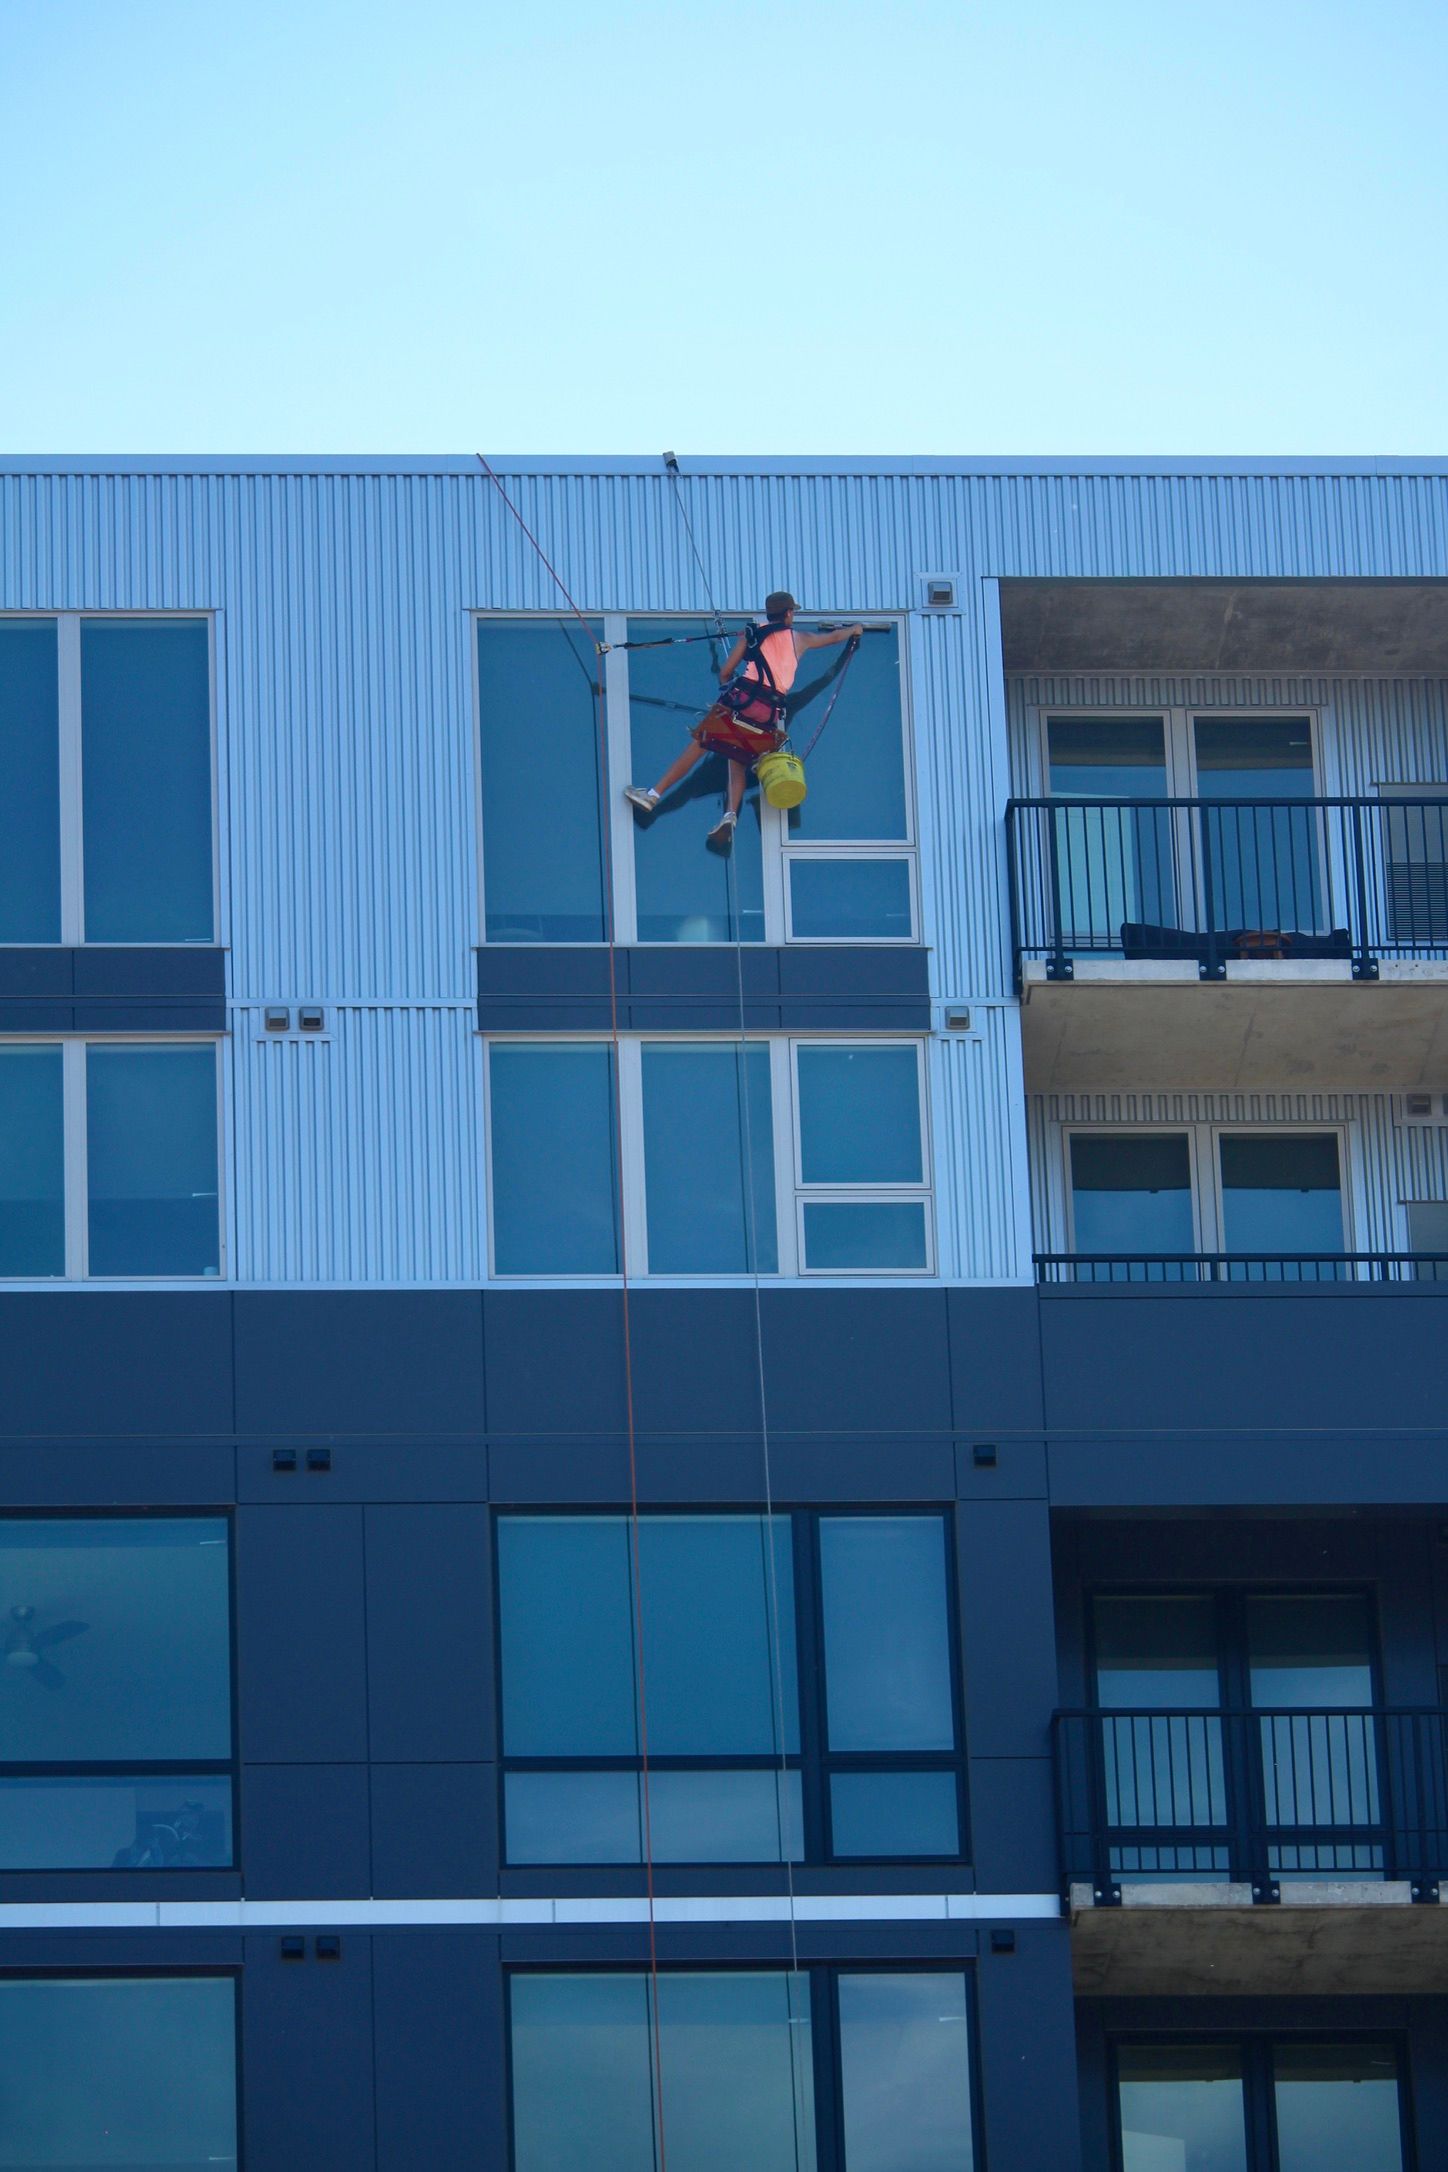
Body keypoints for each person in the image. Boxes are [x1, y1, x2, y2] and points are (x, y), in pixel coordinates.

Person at [624, 592, 864, 847]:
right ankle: (730, 816)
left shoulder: (751, 634)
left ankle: (653, 794)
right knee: (737, 759)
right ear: (789, 614)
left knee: (698, 745)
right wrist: (854, 630)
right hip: (768, 715)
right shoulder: (800, 638)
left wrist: (731, 684)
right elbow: (833, 638)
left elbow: (726, 673)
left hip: (740, 702)